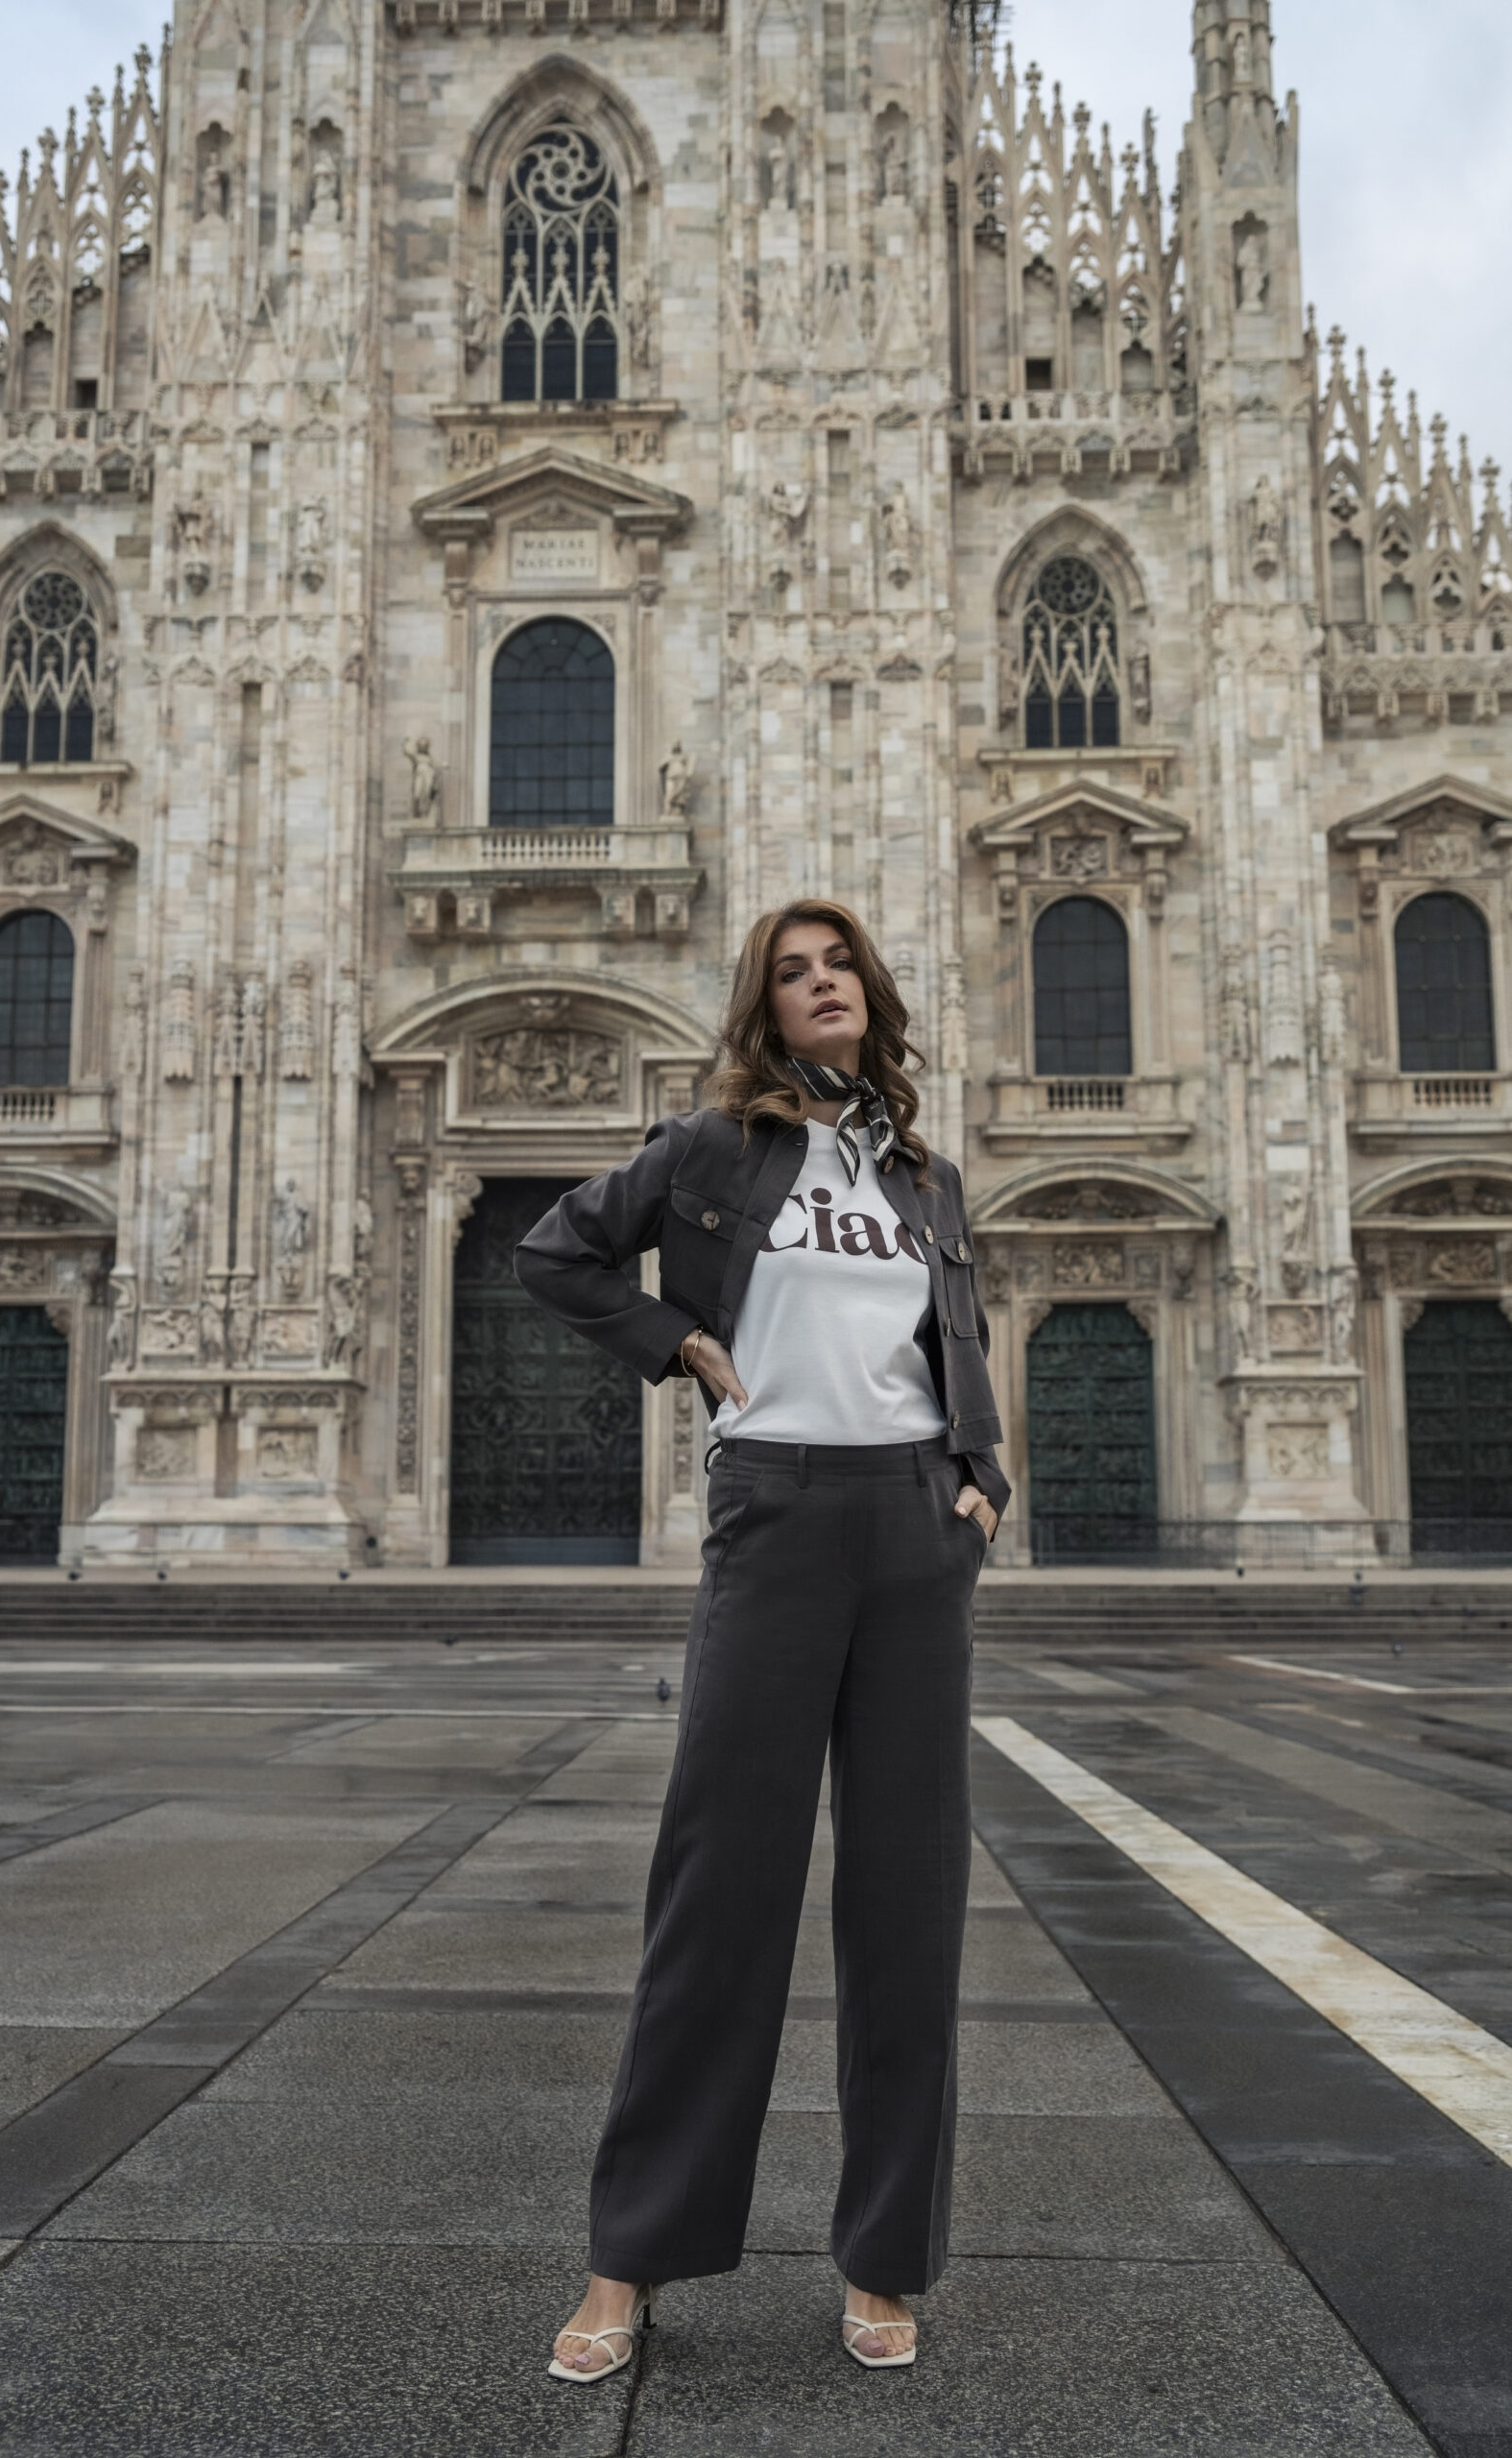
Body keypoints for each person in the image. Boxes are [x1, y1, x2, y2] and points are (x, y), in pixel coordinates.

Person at [515, 899, 1010, 2383]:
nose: (822, 984)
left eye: (839, 964)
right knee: (718, 1892)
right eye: (793, 974)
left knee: (909, 1907)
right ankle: (627, 2261)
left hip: (916, 1524)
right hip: (778, 1508)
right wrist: (676, 1341)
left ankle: (884, 2260)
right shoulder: (714, 1149)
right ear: (765, 1010)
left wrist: (980, 1476)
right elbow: (557, 1253)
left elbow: (953, 1337)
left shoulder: (923, 1173)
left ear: (871, 992)